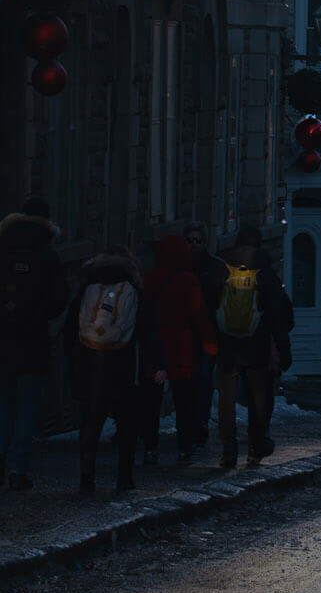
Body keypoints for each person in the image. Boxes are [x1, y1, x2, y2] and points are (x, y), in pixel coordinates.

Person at [66, 248, 165, 493]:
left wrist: (74, 362)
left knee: (90, 423)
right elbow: (149, 332)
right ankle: (124, 478)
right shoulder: (134, 293)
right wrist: (159, 364)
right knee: (127, 424)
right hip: (125, 368)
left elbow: (70, 330)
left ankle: (86, 479)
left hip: (90, 367)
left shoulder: (86, 291)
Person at [0, 202, 69, 490]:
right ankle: (17, 467)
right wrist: (37, 313)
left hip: (3, 339)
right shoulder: (47, 255)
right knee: (27, 406)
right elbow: (58, 300)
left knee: (3, 404)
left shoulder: (3, 250)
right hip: (33, 340)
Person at [213, 231, 292, 468]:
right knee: (259, 398)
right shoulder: (265, 273)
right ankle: (255, 448)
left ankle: (229, 450)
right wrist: (283, 347)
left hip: (227, 345)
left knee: (226, 399)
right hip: (257, 346)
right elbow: (280, 315)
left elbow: (211, 305)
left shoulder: (223, 269)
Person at [141, 234, 217, 463]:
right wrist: (210, 345)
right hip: (182, 348)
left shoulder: (150, 277)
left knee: (151, 403)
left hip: (154, 348)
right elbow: (199, 315)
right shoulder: (188, 280)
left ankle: (150, 448)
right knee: (184, 402)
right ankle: (184, 447)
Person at [185, 222, 227, 450]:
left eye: (197, 240)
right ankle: (189, 421)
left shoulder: (216, 267)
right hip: (184, 332)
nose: (194, 245)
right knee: (187, 379)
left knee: (202, 376)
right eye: (190, 241)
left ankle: (199, 421)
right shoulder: (180, 267)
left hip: (208, 331)